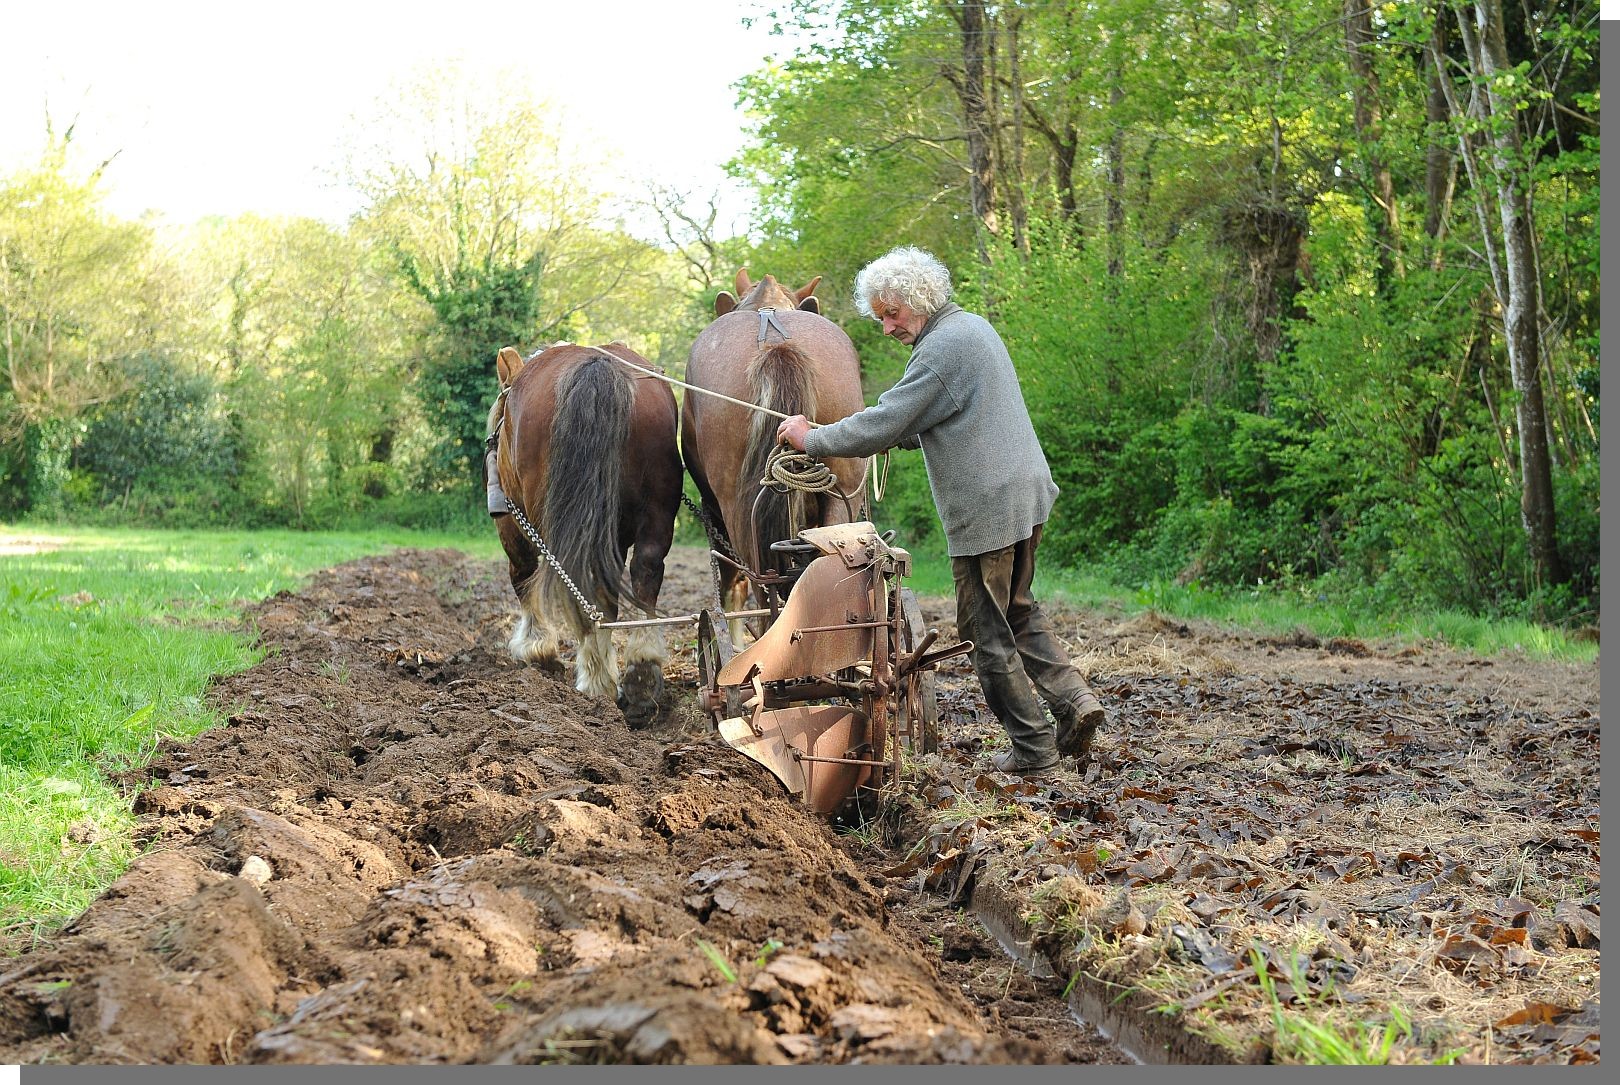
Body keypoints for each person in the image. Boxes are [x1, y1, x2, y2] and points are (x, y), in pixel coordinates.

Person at [775, 246, 1107, 775]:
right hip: (1027, 496)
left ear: (920, 301)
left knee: (983, 633)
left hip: (988, 511)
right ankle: (1075, 703)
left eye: (892, 314)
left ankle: (1034, 751)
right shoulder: (974, 329)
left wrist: (811, 437)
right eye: (880, 315)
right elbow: (936, 417)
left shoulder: (939, 350)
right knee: (1019, 610)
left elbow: (887, 420)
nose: (886, 327)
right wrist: (891, 433)